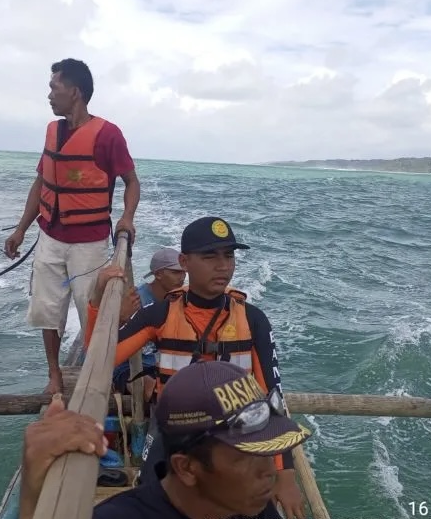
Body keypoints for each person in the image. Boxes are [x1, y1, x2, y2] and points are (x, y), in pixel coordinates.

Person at [84, 216, 306, 518]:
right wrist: (98, 301)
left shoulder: (253, 320)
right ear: (184, 262)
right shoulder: (160, 313)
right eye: (210, 256)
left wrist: (286, 475)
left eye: (229, 255)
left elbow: (272, 397)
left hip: (238, 437)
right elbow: (100, 359)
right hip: (175, 433)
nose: (223, 266)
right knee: (156, 493)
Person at [19, 360, 313, 519]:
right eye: (246, 455)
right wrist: (33, 493)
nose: (269, 471)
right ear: (186, 468)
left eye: (265, 451)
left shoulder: (250, 507)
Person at [3, 58, 140, 395]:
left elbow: (132, 182)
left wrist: (126, 218)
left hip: (88, 243)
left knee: (90, 308)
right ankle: (54, 376)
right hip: (49, 236)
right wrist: (21, 229)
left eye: (55, 88)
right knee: (46, 309)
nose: (49, 95)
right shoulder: (53, 132)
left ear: (75, 93)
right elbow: (41, 183)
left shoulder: (108, 134)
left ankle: (98, 375)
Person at [113, 247, 186, 400]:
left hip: (163, 363)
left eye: (183, 272)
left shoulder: (179, 299)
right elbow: (109, 343)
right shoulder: (135, 301)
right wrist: (121, 318)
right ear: (158, 274)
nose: (182, 278)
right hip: (131, 367)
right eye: (175, 272)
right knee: (149, 386)